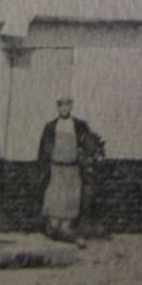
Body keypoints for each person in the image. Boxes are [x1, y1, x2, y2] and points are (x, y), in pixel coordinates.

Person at [38, 95, 103, 247]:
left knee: (69, 209)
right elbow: (43, 151)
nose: (64, 108)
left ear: (71, 106)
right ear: (58, 107)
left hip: (72, 170)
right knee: (53, 218)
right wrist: (43, 170)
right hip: (55, 170)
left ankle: (68, 231)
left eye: (67, 105)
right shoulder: (51, 127)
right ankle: (60, 231)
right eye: (61, 105)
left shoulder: (79, 125)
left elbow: (89, 145)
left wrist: (88, 159)